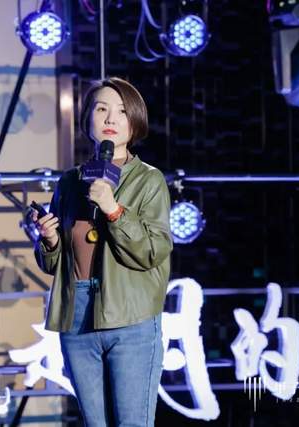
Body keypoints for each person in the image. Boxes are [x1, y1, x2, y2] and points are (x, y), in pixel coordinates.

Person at [32, 77, 173, 426]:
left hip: (131, 317)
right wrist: (49, 240)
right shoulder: (70, 182)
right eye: (101, 109)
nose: (111, 118)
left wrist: (114, 210)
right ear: (88, 119)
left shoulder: (149, 180)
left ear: (134, 121)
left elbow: (152, 251)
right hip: (77, 316)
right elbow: (56, 263)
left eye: (122, 111)